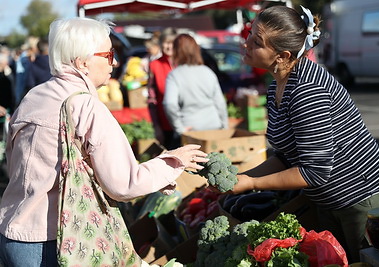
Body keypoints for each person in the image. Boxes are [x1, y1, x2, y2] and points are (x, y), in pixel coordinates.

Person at [0, 17, 208, 266]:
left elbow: (14, 164)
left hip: (13, 231)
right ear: (82, 62)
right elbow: (123, 184)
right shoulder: (85, 105)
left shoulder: (35, 96)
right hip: (55, 240)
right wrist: (174, 162)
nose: (116, 62)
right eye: (109, 55)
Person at [226, 5, 379, 263]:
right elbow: (287, 157)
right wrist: (241, 177)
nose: (247, 43)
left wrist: (251, 183)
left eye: (257, 41)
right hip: (332, 201)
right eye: (250, 35)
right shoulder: (278, 84)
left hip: (365, 200)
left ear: (282, 55)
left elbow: (315, 171)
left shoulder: (308, 91)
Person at [163, 33, 228, 136]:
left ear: (176, 51)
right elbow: (220, 103)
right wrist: (225, 127)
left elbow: (170, 104)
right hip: (214, 126)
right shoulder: (208, 72)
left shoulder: (174, 75)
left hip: (190, 130)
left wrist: (179, 129)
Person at [147, 27, 179, 150]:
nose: (169, 46)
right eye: (166, 42)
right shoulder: (155, 65)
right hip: (165, 122)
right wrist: (156, 126)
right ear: (160, 44)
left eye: (173, 43)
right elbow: (151, 98)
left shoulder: (183, 63)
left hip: (187, 121)